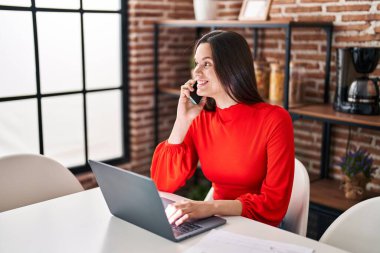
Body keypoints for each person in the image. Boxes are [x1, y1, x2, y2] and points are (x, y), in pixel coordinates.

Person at [150, 30, 294, 227]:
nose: (196, 72)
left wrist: (211, 207)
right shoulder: (200, 118)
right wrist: (181, 121)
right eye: (196, 64)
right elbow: (161, 183)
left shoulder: (275, 119)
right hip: (214, 221)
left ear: (231, 68)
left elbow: (274, 204)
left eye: (206, 64)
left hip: (258, 226)